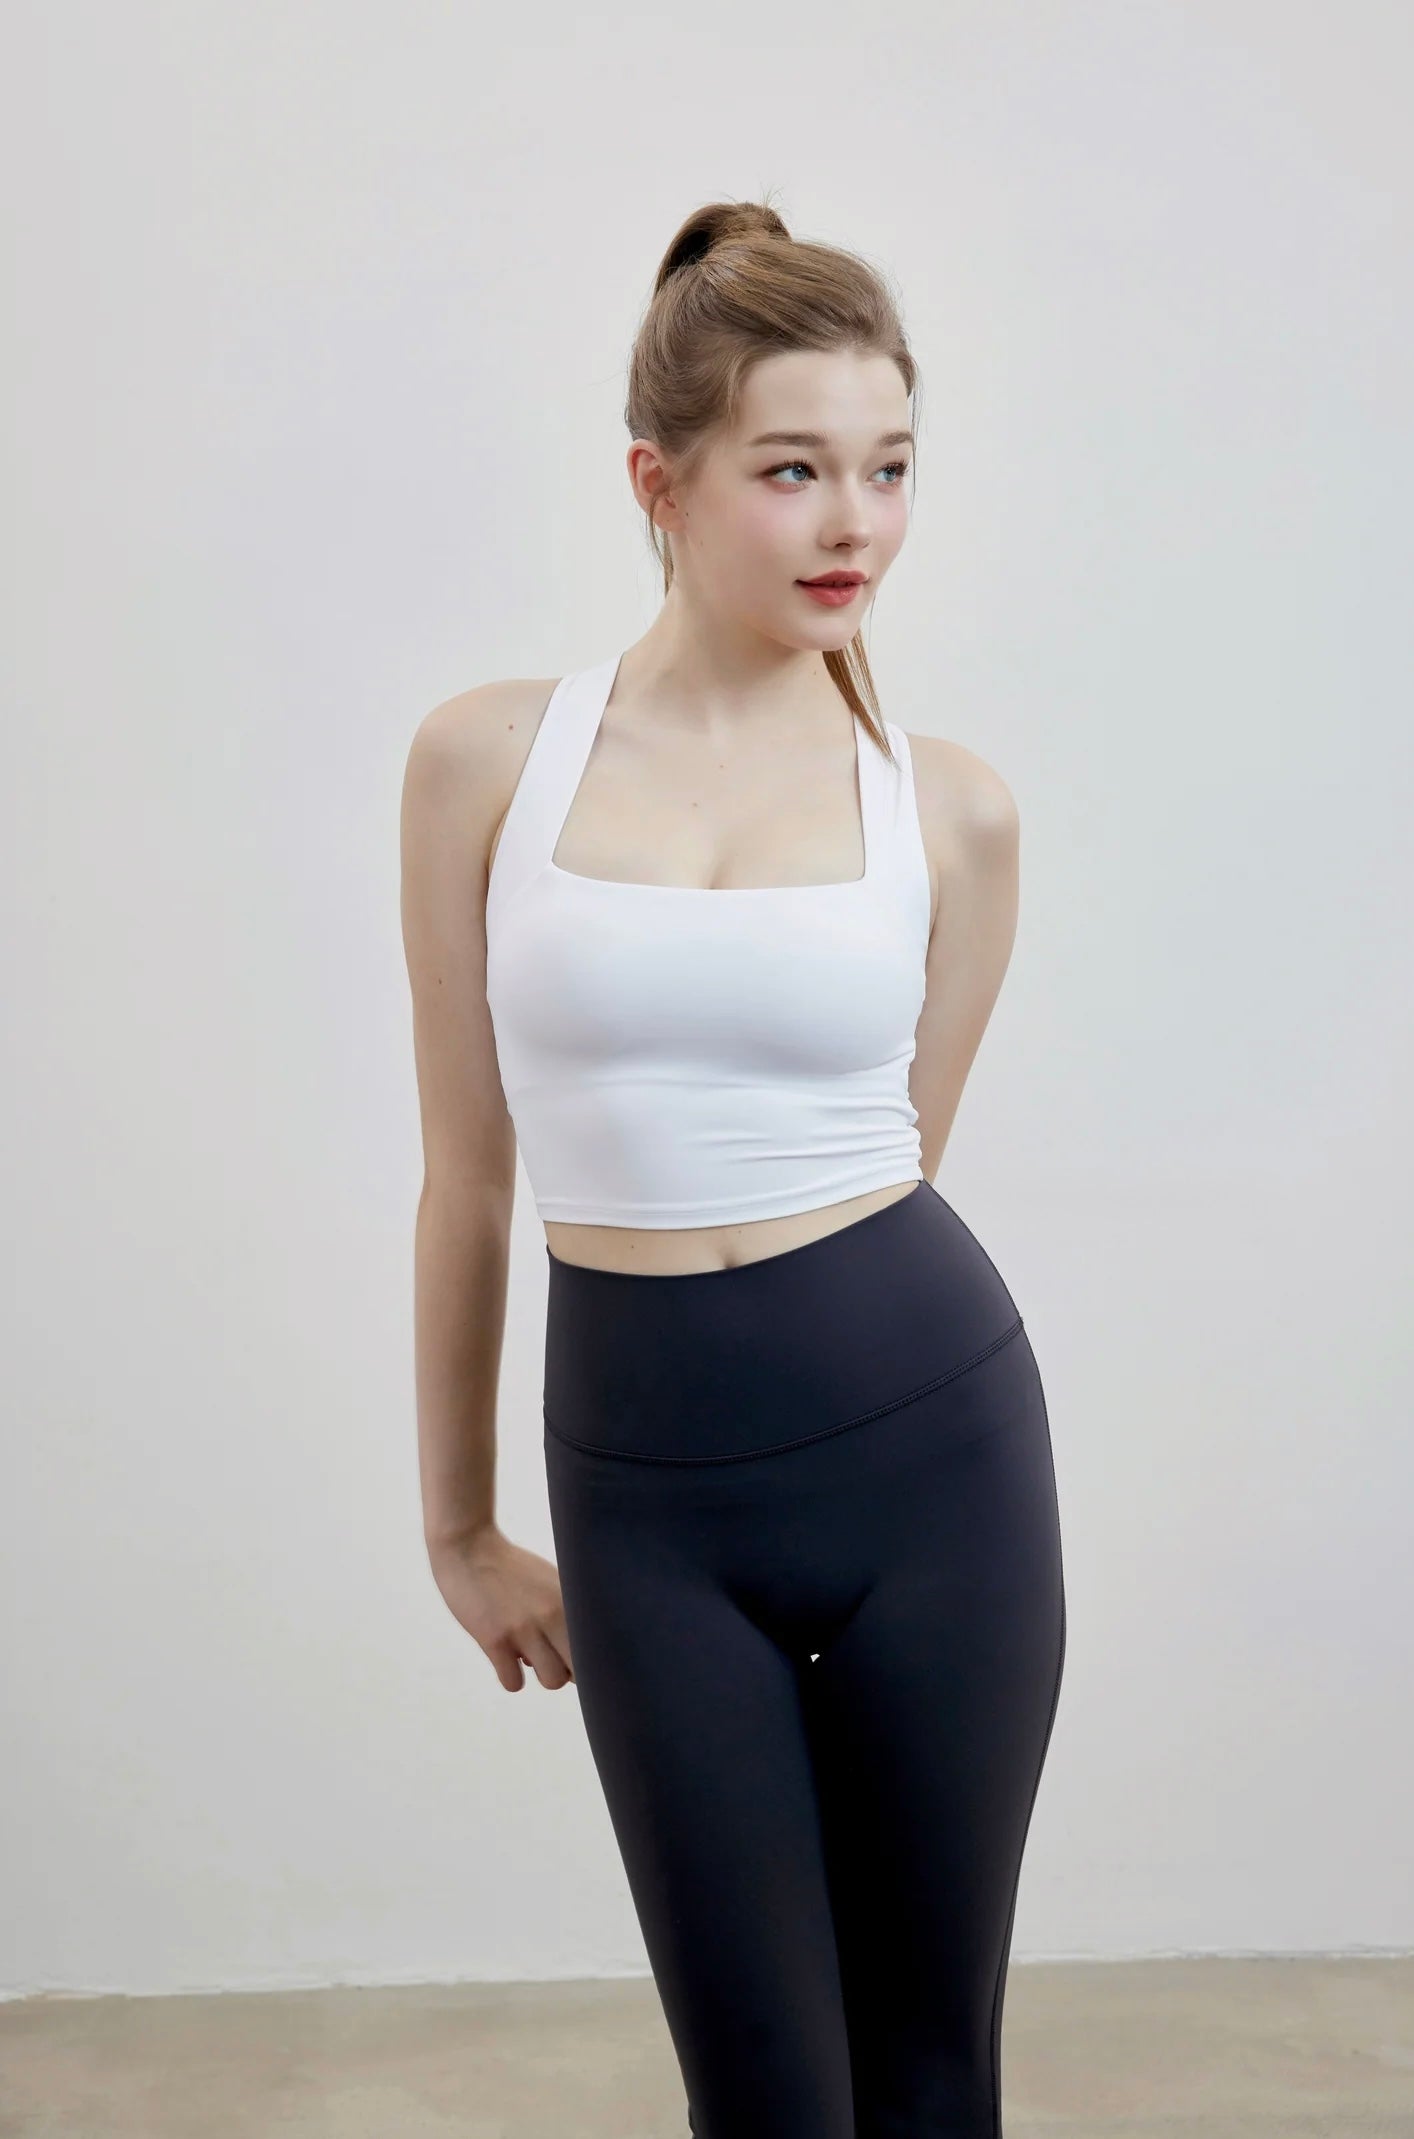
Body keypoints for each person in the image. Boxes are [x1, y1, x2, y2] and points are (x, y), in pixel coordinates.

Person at [400, 196, 1067, 2139]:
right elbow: (466, 1170)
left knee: (930, 2077)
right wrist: (458, 1526)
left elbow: (907, 1148)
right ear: (660, 483)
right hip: (645, 1501)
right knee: (765, 2092)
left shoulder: (950, 811)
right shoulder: (485, 762)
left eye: (890, 466)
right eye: (793, 469)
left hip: (933, 1455)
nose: (855, 520)